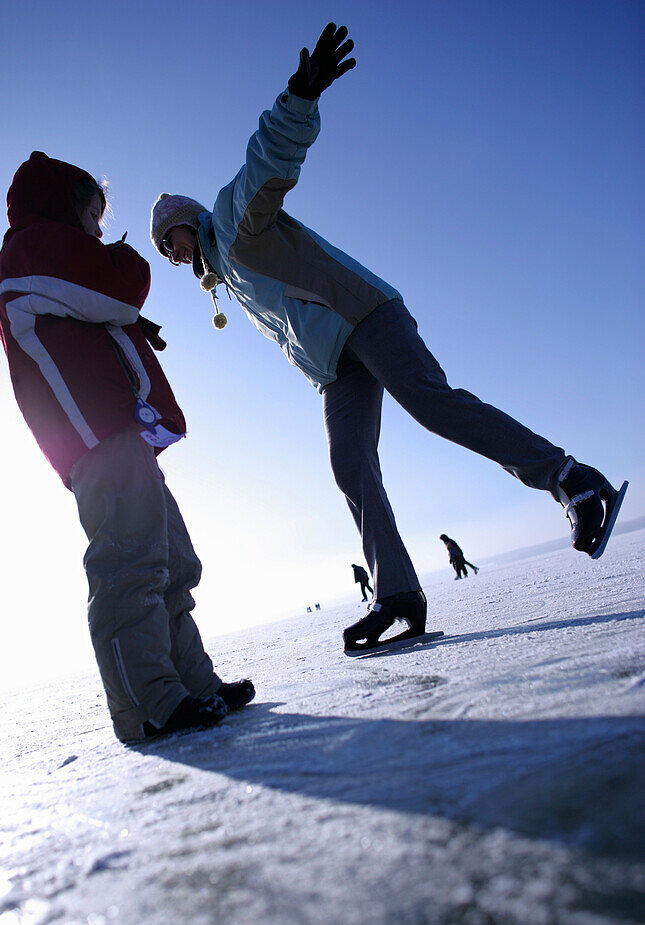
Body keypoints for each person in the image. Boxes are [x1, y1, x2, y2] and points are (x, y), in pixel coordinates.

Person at [149, 23, 627, 654]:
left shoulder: (233, 220)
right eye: (165, 253)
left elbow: (265, 164)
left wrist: (298, 99)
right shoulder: (228, 278)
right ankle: (398, 592)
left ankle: (572, 479)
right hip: (335, 366)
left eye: (171, 241)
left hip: (364, 314)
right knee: (349, 465)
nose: (173, 256)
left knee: (434, 406)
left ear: (188, 221)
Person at [0, 152, 254, 744]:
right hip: (97, 440)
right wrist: (125, 280)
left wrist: (130, 328)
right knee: (131, 565)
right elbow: (117, 285)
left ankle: (192, 686)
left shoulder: (53, 258)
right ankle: (148, 702)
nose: (98, 229)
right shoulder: (31, 248)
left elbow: (101, 310)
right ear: (63, 207)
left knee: (170, 567)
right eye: (91, 214)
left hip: (121, 438)